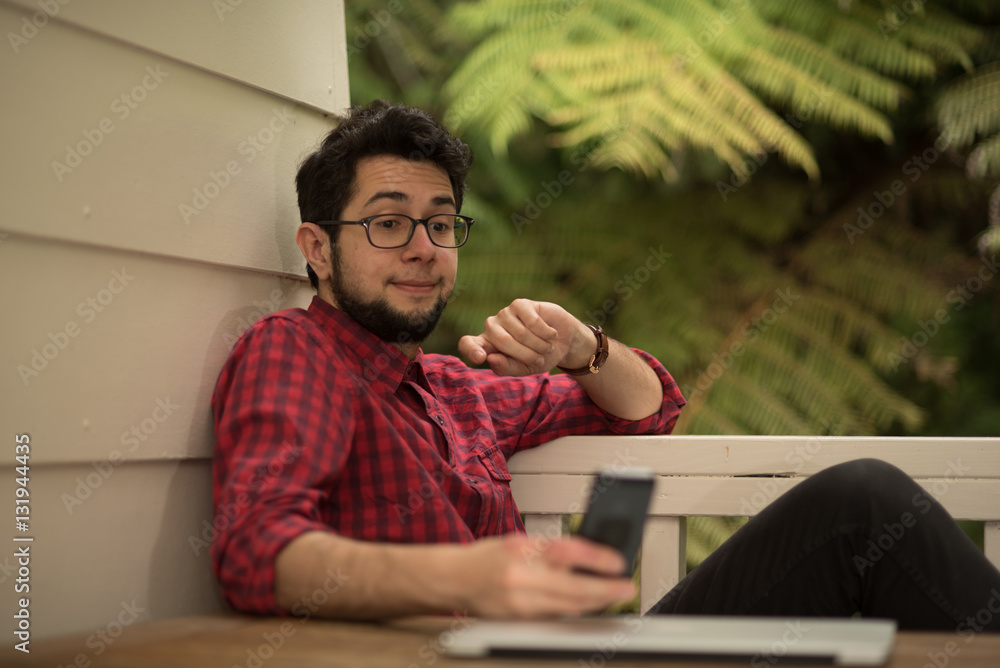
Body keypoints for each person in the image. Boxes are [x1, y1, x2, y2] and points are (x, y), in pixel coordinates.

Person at [211, 100, 1000, 631]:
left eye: (441, 224)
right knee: (863, 505)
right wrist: (471, 579)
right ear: (317, 248)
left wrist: (581, 349)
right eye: (388, 224)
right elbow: (257, 553)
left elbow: (648, 405)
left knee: (859, 502)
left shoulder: (455, 390)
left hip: (571, 652)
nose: (423, 247)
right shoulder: (294, 351)